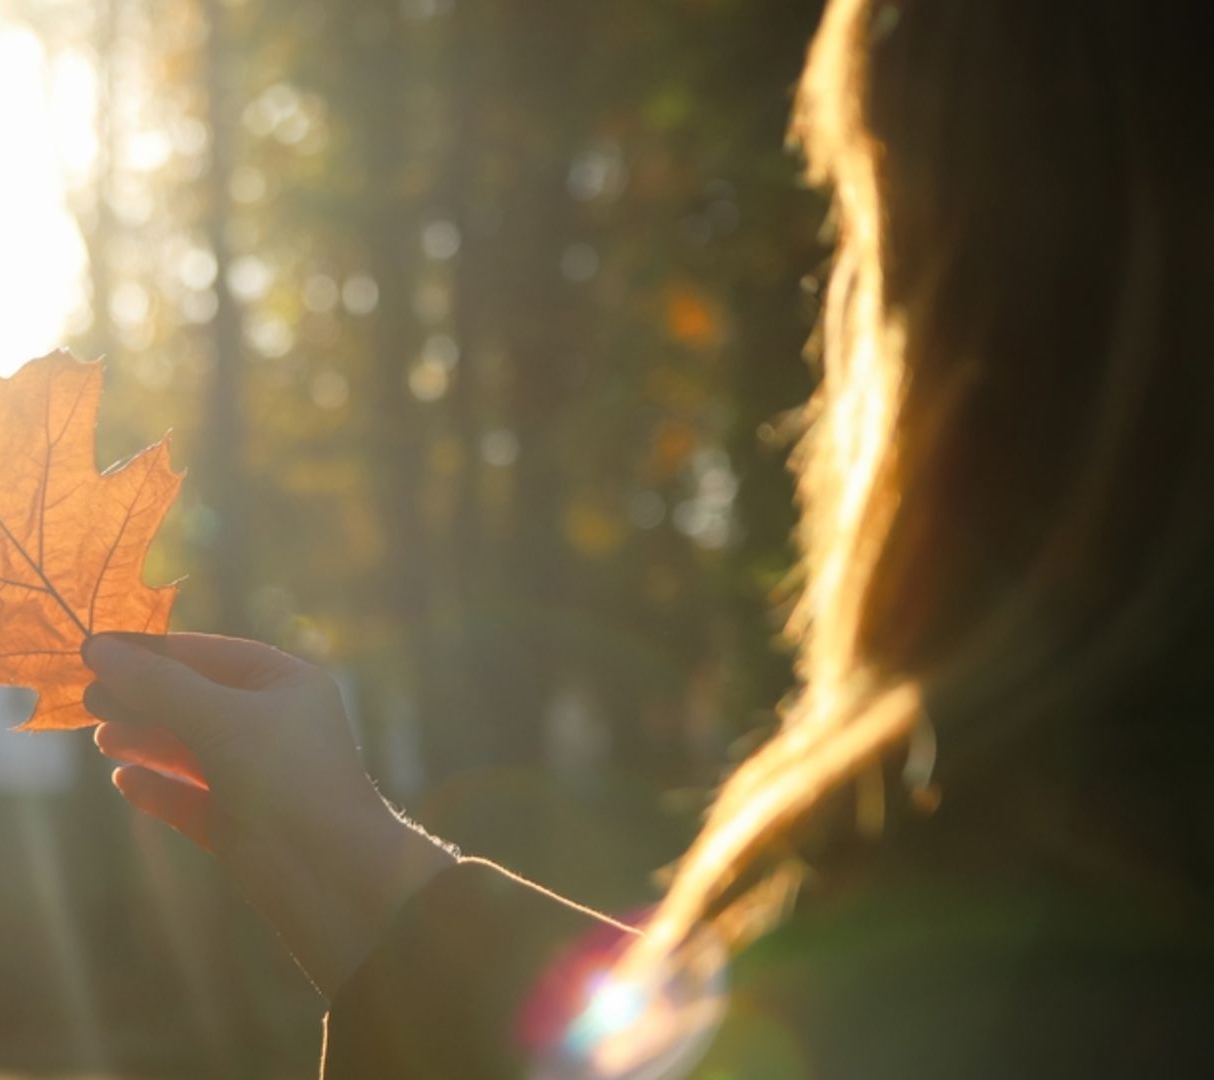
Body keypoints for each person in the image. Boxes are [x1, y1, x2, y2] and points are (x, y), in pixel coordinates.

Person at [82, 0, 1214, 1075]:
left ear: (988, 318)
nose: (839, 305)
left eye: (862, 229)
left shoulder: (1017, 920)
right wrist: (354, 864)